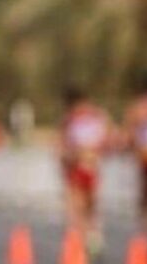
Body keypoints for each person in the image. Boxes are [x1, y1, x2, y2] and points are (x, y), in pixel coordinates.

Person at [59, 85, 112, 256]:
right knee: (80, 206)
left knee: (88, 206)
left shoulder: (93, 117)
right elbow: (63, 147)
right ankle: (86, 240)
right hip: (79, 167)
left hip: (87, 167)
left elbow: (107, 140)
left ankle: (91, 239)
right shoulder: (72, 118)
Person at [126, 74, 147, 238]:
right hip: (145, 156)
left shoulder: (139, 107)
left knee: (145, 197)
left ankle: (145, 231)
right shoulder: (139, 108)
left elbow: (131, 133)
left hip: (145, 155)